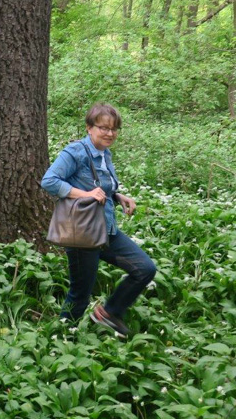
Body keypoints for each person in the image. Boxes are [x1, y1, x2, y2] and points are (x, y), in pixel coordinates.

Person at [41, 103, 155, 339]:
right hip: (82, 232)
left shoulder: (105, 154)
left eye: (114, 129)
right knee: (80, 293)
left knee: (144, 269)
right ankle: (61, 339)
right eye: (103, 128)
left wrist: (116, 195)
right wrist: (86, 195)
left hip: (107, 230)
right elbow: (49, 181)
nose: (109, 133)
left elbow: (98, 186)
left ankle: (109, 313)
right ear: (89, 128)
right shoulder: (75, 152)